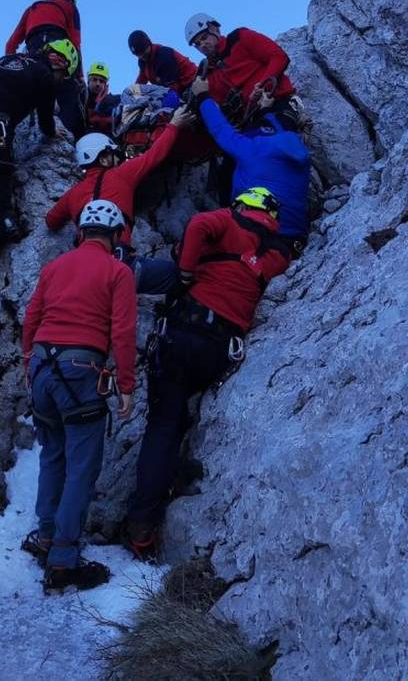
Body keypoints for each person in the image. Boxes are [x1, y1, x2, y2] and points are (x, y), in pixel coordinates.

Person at [123, 187, 290, 560]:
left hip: (184, 332)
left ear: (244, 205)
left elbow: (198, 224)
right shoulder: (279, 252)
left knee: (164, 424)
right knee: (182, 418)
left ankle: (141, 526)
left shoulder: (228, 220)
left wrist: (185, 273)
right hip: (221, 349)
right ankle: (177, 475)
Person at [22, 199, 136, 593]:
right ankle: (64, 561)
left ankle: (46, 535)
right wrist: (126, 385)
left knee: (53, 454)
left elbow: (32, 318)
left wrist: (28, 365)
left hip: (42, 366)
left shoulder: (54, 267)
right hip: (81, 372)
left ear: (80, 232)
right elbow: (121, 332)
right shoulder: (118, 272)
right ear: (117, 235)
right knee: (82, 467)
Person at [0, 40, 78, 290]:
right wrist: (54, 134)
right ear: (60, 63)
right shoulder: (43, 74)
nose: (60, 80)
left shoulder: (12, 61)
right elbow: (45, 122)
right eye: (63, 75)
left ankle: (5, 221)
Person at [45, 106, 197, 292]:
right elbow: (155, 155)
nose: (117, 159)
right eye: (112, 155)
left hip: (83, 270)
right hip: (119, 264)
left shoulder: (73, 193)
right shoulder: (122, 174)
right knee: (182, 277)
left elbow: (51, 221)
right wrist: (173, 125)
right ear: (103, 159)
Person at [190, 78, 311, 256]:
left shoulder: (250, 149)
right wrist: (266, 110)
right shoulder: (297, 149)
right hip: (294, 241)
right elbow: (278, 131)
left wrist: (202, 95)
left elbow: (220, 128)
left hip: (257, 237)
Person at [184, 13, 296, 127]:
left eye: (204, 37)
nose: (202, 44)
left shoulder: (240, 38)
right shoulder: (208, 74)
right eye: (197, 44)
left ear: (215, 29)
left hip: (277, 103)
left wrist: (262, 85)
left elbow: (278, 57)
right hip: (251, 120)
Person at [5, 0, 86, 139]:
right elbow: (75, 43)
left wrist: (11, 65)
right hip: (58, 48)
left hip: (34, 52)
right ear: (72, 0)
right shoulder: (70, 8)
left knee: (36, 89)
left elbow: (11, 43)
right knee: (69, 92)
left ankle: (30, 129)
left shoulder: (33, 7)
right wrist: (79, 76)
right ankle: (72, 137)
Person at [128, 29, 198, 106]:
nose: (141, 56)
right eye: (138, 54)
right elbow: (140, 83)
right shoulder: (143, 62)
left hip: (192, 85)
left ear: (149, 43)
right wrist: (131, 97)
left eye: (143, 51)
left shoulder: (164, 57)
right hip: (175, 91)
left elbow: (173, 90)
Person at [85, 61, 120, 134]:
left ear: (106, 84)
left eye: (101, 81)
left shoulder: (112, 102)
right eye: (95, 79)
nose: (98, 84)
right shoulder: (80, 97)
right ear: (88, 80)